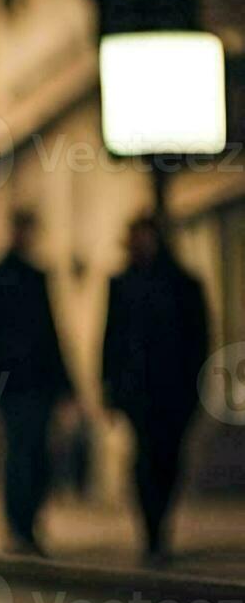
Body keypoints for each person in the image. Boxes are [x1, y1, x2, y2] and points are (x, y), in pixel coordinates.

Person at [102, 215, 209, 563]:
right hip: (139, 392)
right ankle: (152, 530)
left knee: (170, 459)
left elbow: (199, 340)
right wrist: (110, 388)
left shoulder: (184, 285)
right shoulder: (122, 284)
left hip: (176, 390)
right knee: (145, 459)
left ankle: (160, 524)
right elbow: (111, 340)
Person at [0, 211, 74, 555]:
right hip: (12, 382)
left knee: (36, 452)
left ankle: (28, 521)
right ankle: (19, 524)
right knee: (20, 450)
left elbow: (52, 332)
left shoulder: (35, 277)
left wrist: (65, 383)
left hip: (38, 381)